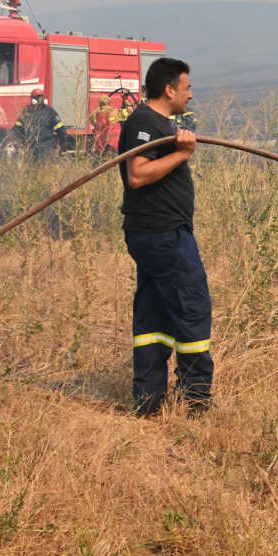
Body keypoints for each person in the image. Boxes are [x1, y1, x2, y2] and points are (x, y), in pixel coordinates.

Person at [118, 57, 212, 417]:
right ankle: (195, 401)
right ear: (169, 89)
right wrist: (183, 153)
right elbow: (138, 175)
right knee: (191, 306)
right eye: (187, 88)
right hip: (163, 236)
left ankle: (149, 400)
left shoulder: (159, 124)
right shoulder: (144, 122)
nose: (191, 94)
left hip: (157, 235)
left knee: (153, 315)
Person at [9, 88, 69, 160]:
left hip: (47, 148)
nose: (39, 99)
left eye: (40, 97)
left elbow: (61, 130)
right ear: (32, 100)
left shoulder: (50, 112)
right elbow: (17, 128)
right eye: (37, 97)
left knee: (44, 169)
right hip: (31, 148)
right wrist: (12, 138)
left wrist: (63, 147)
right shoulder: (27, 111)